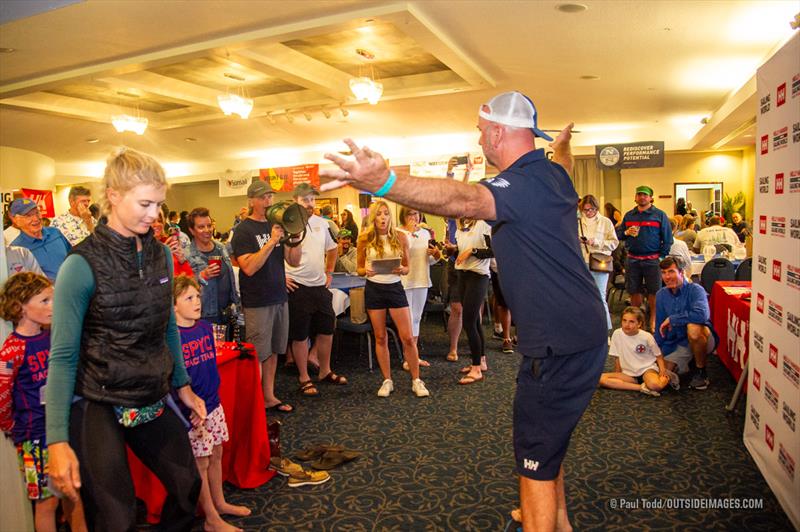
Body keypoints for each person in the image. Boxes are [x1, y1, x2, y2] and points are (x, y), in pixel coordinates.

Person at [321, 90, 608, 531]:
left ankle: (541, 520)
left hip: (558, 344)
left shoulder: (521, 183)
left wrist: (384, 183)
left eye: (480, 132)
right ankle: (559, 522)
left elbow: (465, 201)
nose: (479, 142)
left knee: (533, 456)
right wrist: (564, 145)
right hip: (582, 331)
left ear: (497, 131)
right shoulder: (554, 174)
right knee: (549, 441)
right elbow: (564, 162)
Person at [45, 147, 207, 531]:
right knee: (114, 518)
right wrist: (56, 441)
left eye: (160, 205)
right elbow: (63, 355)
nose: (155, 215)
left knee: (187, 488)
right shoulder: (80, 265)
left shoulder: (160, 256)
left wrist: (182, 385)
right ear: (114, 196)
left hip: (148, 392)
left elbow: (166, 326)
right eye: (146, 203)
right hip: (97, 401)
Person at [0, 272, 87, 532]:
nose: (53, 306)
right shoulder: (12, 350)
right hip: (33, 435)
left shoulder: (55, 337)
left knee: (75, 493)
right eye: (45, 300)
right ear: (20, 307)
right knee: (46, 502)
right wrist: (11, 425)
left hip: (63, 427)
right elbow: (2, 393)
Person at [172, 275, 251, 531]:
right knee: (202, 462)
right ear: (173, 306)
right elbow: (174, 381)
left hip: (213, 405)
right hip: (192, 412)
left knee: (216, 453)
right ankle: (211, 519)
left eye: (198, 296)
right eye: (189, 298)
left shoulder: (205, 328)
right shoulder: (172, 338)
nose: (197, 302)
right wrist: (191, 409)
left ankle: (219, 503)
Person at [231, 180, 301, 413]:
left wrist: (295, 237)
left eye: (270, 196)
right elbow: (249, 267)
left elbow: (294, 261)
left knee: (273, 351)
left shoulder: (277, 224)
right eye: (263, 197)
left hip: (279, 297)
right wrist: (271, 241)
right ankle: (254, 401)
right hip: (258, 300)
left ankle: (269, 395)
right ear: (251, 200)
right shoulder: (243, 231)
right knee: (258, 353)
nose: (268, 201)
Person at [356, 201, 430, 398]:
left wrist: (401, 269)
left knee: (407, 337)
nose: (383, 217)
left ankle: (416, 380)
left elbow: (407, 266)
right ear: (373, 218)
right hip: (374, 289)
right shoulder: (364, 238)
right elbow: (359, 268)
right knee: (380, 337)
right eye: (379, 214)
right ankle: (387, 380)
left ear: (390, 217)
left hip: (395, 288)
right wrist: (366, 271)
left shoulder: (400, 237)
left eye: (386, 214)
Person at [285, 182, 347, 397]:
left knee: (327, 330)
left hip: (320, 286)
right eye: (305, 199)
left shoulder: (322, 223)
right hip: (297, 286)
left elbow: (332, 248)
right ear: (295, 201)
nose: (310, 203)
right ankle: (304, 377)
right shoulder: (287, 224)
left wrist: (329, 272)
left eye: (312, 199)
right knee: (300, 335)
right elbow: (275, 254)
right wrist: (280, 277)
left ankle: (325, 370)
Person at [654, 256, 717, 390]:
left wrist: (673, 319)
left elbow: (702, 315)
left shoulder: (696, 290)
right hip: (677, 341)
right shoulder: (661, 295)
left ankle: (701, 371)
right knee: (660, 370)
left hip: (701, 337)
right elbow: (660, 326)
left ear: (681, 273)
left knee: (693, 328)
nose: (667, 277)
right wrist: (656, 351)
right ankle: (689, 361)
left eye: (671, 272)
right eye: (664, 273)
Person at [616, 185, 673, 331]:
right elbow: (619, 235)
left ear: (650, 198)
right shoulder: (629, 215)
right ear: (635, 197)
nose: (642, 197)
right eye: (639, 194)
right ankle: (637, 320)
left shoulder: (659, 215)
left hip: (652, 260)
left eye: (645, 195)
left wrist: (661, 257)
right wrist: (627, 232)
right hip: (633, 258)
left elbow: (667, 239)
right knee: (634, 291)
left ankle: (653, 319)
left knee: (654, 291)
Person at [451, 217, 493, 385]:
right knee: (474, 321)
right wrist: (453, 250)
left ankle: (476, 368)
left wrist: (472, 251)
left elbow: (493, 251)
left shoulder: (484, 225)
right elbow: (460, 253)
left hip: (479, 275)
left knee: (468, 322)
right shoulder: (460, 227)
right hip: (463, 274)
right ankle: (480, 361)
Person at [600, 306, 676, 396]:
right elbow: (617, 357)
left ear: (639, 324)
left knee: (655, 385)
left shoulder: (646, 336)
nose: (627, 325)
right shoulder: (617, 334)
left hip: (647, 370)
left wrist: (662, 371)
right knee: (601, 379)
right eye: (624, 320)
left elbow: (658, 355)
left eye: (631, 322)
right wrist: (618, 374)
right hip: (629, 373)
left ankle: (668, 378)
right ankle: (641, 387)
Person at [398, 206, 441, 367]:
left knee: (416, 318)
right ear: (404, 216)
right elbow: (399, 257)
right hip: (404, 281)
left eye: (416, 213)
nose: (414, 217)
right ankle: (407, 356)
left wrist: (435, 254)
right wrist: (410, 234)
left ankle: (413, 356)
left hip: (422, 279)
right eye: (410, 214)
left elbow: (430, 260)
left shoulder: (425, 233)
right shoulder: (398, 232)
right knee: (406, 320)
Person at [186, 207, 240, 326]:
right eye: (201, 227)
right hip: (204, 316)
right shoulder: (187, 255)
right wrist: (202, 276)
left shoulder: (220, 247)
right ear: (192, 230)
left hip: (227, 313)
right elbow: (181, 288)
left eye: (209, 225)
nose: (207, 230)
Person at [578, 194, 619, 330]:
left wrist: (596, 242)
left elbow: (614, 243)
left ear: (597, 208)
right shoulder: (577, 222)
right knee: (583, 297)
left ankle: (604, 330)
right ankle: (587, 328)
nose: (589, 212)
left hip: (599, 262)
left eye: (592, 209)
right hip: (581, 262)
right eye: (586, 210)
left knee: (600, 297)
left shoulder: (606, 222)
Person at [9, 198, 71, 281]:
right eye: (28, 216)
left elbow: (72, 256)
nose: (36, 219)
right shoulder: (17, 249)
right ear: (15, 220)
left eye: (37, 212)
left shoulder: (55, 233)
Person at [152, 209, 194, 278]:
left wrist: (182, 261)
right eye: (152, 221)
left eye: (160, 221)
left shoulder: (170, 243)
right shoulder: (139, 248)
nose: (157, 224)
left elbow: (189, 277)